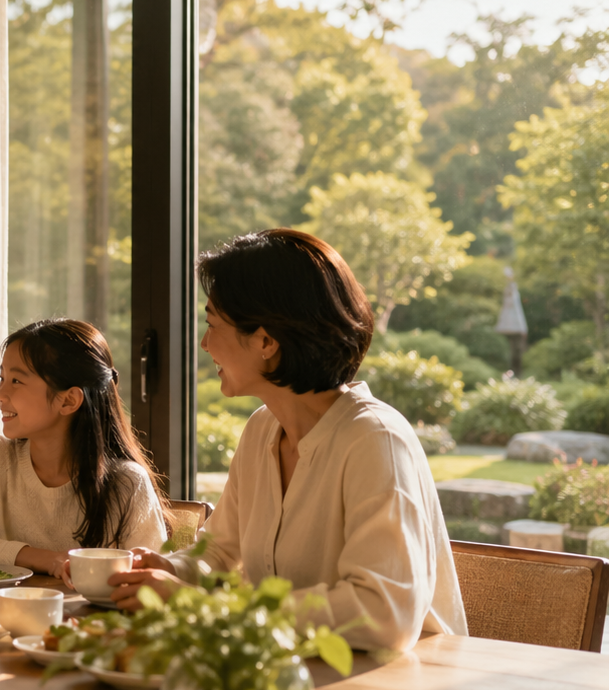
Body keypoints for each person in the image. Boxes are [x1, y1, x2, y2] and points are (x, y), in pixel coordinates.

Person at [106, 228, 467, 652]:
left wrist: (202, 603)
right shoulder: (263, 429)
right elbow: (219, 555)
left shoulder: (374, 439)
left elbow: (384, 613)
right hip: (289, 673)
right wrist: (165, 569)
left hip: (399, 687)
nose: (204, 343)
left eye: (212, 324)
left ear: (265, 340)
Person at [0, 319, 166, 574]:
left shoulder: (127, 483)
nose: (0, 394)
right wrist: (42, 559)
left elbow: (153, 579)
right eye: (2, 378)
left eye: (16, 381)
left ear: (68, 401)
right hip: (7, 613)